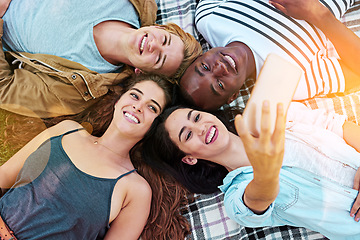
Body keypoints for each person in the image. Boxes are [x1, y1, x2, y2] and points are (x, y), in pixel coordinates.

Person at [0, 73, 183, 240]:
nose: (138, 106)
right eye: (135, 95)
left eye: (152, 107)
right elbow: (4, 175)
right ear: (118, 101)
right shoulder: (67, 130)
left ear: (156, 128)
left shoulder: (136, 190)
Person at [141, 101, 360, 239]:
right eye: (187, 135)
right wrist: (265, 171)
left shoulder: (279, 116)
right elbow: (259, 198)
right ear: (189, 159)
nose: (201, 128)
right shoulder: (237, 197)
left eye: (196, 117)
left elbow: (338, 125)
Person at [178, 0, 360, 110]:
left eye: (205, 67)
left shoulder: (208, 18)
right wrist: (319, 15)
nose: (218, 68)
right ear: (232, 97)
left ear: (200, 55)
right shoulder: (290, 81)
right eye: (219, 84)